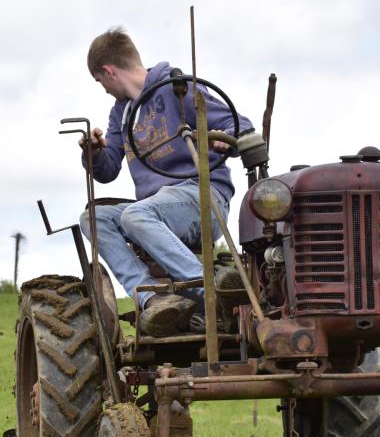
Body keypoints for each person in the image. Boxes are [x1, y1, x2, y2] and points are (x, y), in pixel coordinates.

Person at [79, 28, 254, 337]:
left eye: (99, 81)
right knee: (93, 218)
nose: (103, 89)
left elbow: (236, 123)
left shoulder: (176, 88)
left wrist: (227, 139)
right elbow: (108, 171)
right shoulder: (121, 113)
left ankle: (211, 296)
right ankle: (152, 299)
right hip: (155, 209)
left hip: (201, 198)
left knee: (136, 215)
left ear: (108, 71)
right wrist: (93, 153)